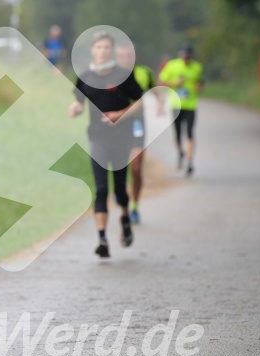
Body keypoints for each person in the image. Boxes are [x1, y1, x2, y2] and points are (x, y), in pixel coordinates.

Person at [68, 31, 143, 258]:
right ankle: (102, 239)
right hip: (97, 138)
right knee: (101, 188)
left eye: (106, 48)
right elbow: (78, 100)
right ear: (93, 50)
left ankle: (125, 218)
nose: (102, 51)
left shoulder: (123, 75)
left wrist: (120, 114)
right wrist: (76, 108)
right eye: (99, 47)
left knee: (120, 188)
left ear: (111, 50)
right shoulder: (85, 76)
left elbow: (141, 101)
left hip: (121, 139)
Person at [116, 42, 165, 224]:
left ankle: (135, 205)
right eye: (122, 56)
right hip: (117, 125)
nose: (126, 59)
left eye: (129, 56)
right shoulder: (112, 74)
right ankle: (118, 192)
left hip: (137, 123)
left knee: (136, 168)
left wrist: (160, 103)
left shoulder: (144, 73)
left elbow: (156, 90)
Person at [158, 44, 203, 176]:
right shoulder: (172, 65)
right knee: (177, 134)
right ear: (180, 55)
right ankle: (180, 153)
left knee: (189, 133)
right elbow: (161, 82)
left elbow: (199, 82)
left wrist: (198, 86)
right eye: (184, 57)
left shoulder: (197, 67)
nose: (186, 59)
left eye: (188, 57)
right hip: (176, 105)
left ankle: (189, 162)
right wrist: (175, 83)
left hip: (191, 105)